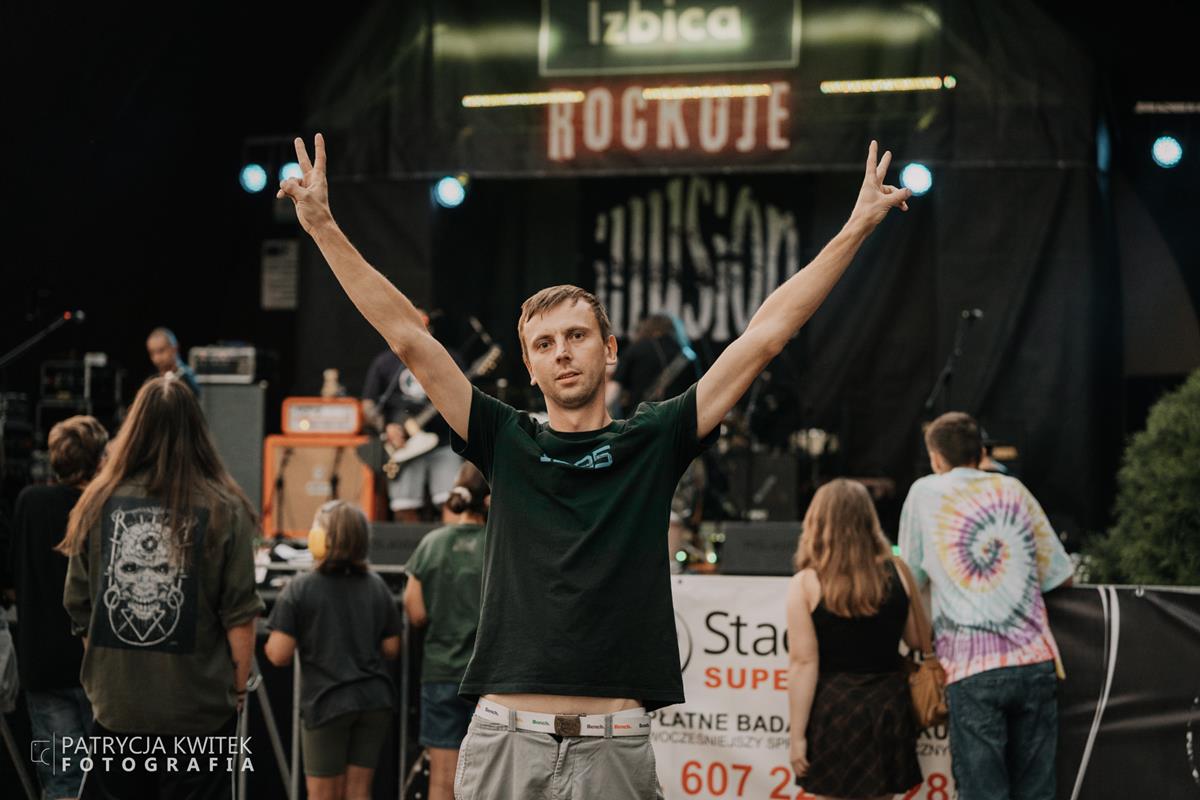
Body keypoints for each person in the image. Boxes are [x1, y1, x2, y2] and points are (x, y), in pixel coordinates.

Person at [279, 132, 910, 798]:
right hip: (506, 735)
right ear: (530, 366)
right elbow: (407, 338)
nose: (562, 352)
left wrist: (856, 227)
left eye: (576, 335)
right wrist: (321, 226)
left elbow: (765, 335)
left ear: (609, 350)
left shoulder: (654, 438)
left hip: (614, 743)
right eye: (544, 343)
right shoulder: (502, 437)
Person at [60, 376, 263, 799]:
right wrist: (237, 690)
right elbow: (240, 616)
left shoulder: (96, 502)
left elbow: (79, 608)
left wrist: (107, 681)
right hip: (199, 713)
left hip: (118, 711)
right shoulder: (225, 507)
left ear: (134, 429)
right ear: (197, 431)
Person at [899, 412, 1073, 800]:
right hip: (1034, 660)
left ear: (936, 458)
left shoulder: (924, 494)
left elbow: (910, 578)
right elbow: (1061, 575)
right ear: (981, 453)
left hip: (971, 667)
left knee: (981, 792)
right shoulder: (1014, 490)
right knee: (1037, 792)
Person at [786, 479, 924, 799]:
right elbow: (918, 639)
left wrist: (797, 737)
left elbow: (803, 664)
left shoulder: (806, 583)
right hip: (888, 705)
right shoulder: (898, 572)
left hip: (835, 709)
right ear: (869, 520)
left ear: (817, 522)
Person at [265, 500, 402, 800]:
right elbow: (392, 648)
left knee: (323, 795)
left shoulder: (300, 588)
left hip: (327, 703)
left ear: (322, 539)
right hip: (373, 701)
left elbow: (278, 654)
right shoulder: (377, 586)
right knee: (359, 793)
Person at [10, 416, 107, 800]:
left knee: (61, 781)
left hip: (43, 664)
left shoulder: (29, 502)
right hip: (97, 666)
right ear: (99, 458)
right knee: (110, 781)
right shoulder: (104, 508)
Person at [403, 463, 489, 800]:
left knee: (442, 779)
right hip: (488, 680)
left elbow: (415, 611)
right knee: (489, 780)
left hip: (440, 673)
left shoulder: (431, 544)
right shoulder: (500, 545)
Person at [361, 313, 464, 521]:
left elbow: (465, 397)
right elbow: (368, 406)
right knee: (403, 505)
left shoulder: (448, 358)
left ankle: (446, 542)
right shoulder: (385, 362)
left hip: (444, 442)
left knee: (452, 502)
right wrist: (386, 427)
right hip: (404, 446)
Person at [145, 327, 201, 396]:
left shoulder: (189, 378)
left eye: (161, 351)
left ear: (175, 349)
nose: (156, 358)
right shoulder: (152, 380)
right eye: (152, 353)